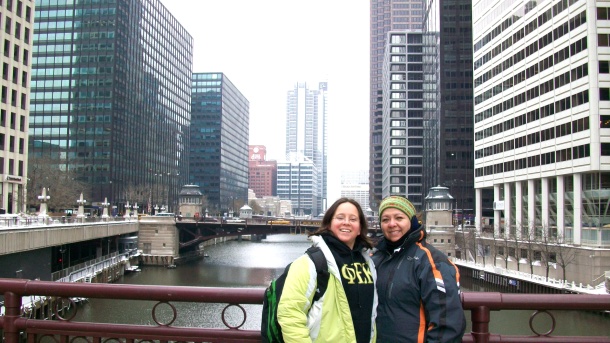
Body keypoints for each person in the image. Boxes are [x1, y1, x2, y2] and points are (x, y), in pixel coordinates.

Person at [277, 198, 378, 342]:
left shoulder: (368, 264)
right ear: (329, 224)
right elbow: (290, 314)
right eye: (340, 217)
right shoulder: (310, 263)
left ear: (360, 228)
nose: (346, 222)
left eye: (353, 219)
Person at [372, 195, 466, 343]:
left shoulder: (431, 261)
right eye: (385, 220)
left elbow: (447, 324)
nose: (392, 224)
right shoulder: (376, 258)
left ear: (412, 221)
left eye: (399, 218)